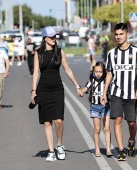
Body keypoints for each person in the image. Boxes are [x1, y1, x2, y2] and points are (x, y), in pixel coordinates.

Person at [31, 26, 83, 162]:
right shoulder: (38, 53)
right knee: (47, 122)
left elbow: (67, 69)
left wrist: (77, 86)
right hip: (43, 90)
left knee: (59, 121)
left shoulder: (60, 52)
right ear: (45, 38)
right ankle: (51, 151)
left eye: (55, 36)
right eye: (51, 37)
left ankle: (59, 145)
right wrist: (33, 91)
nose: (54, 39)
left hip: (57, 89)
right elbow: (36, 73)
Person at [100, 23, 137, 161]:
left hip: (131, 93)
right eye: (117, 34)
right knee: (117, 120)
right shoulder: (111, 54)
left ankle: (131, 141)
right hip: (116, 93)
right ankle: (120, 149)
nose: (119, 37)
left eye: (121, 34)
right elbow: (109, 74)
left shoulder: (136, 52)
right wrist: (104, 93)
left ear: (127, 34)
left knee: (131, 122)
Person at [81, 61, 112, 157]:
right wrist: (81, 91)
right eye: (96, 72)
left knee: (107, 128)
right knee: (97, 129)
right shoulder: (91, 81)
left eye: (100, 72)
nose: (98, 74)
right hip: (95, 107)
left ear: (104, 72)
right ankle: (97, 149)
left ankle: (108, 149)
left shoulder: (106, 81)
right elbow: (86, 88)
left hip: (105, 107)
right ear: (93, 72)